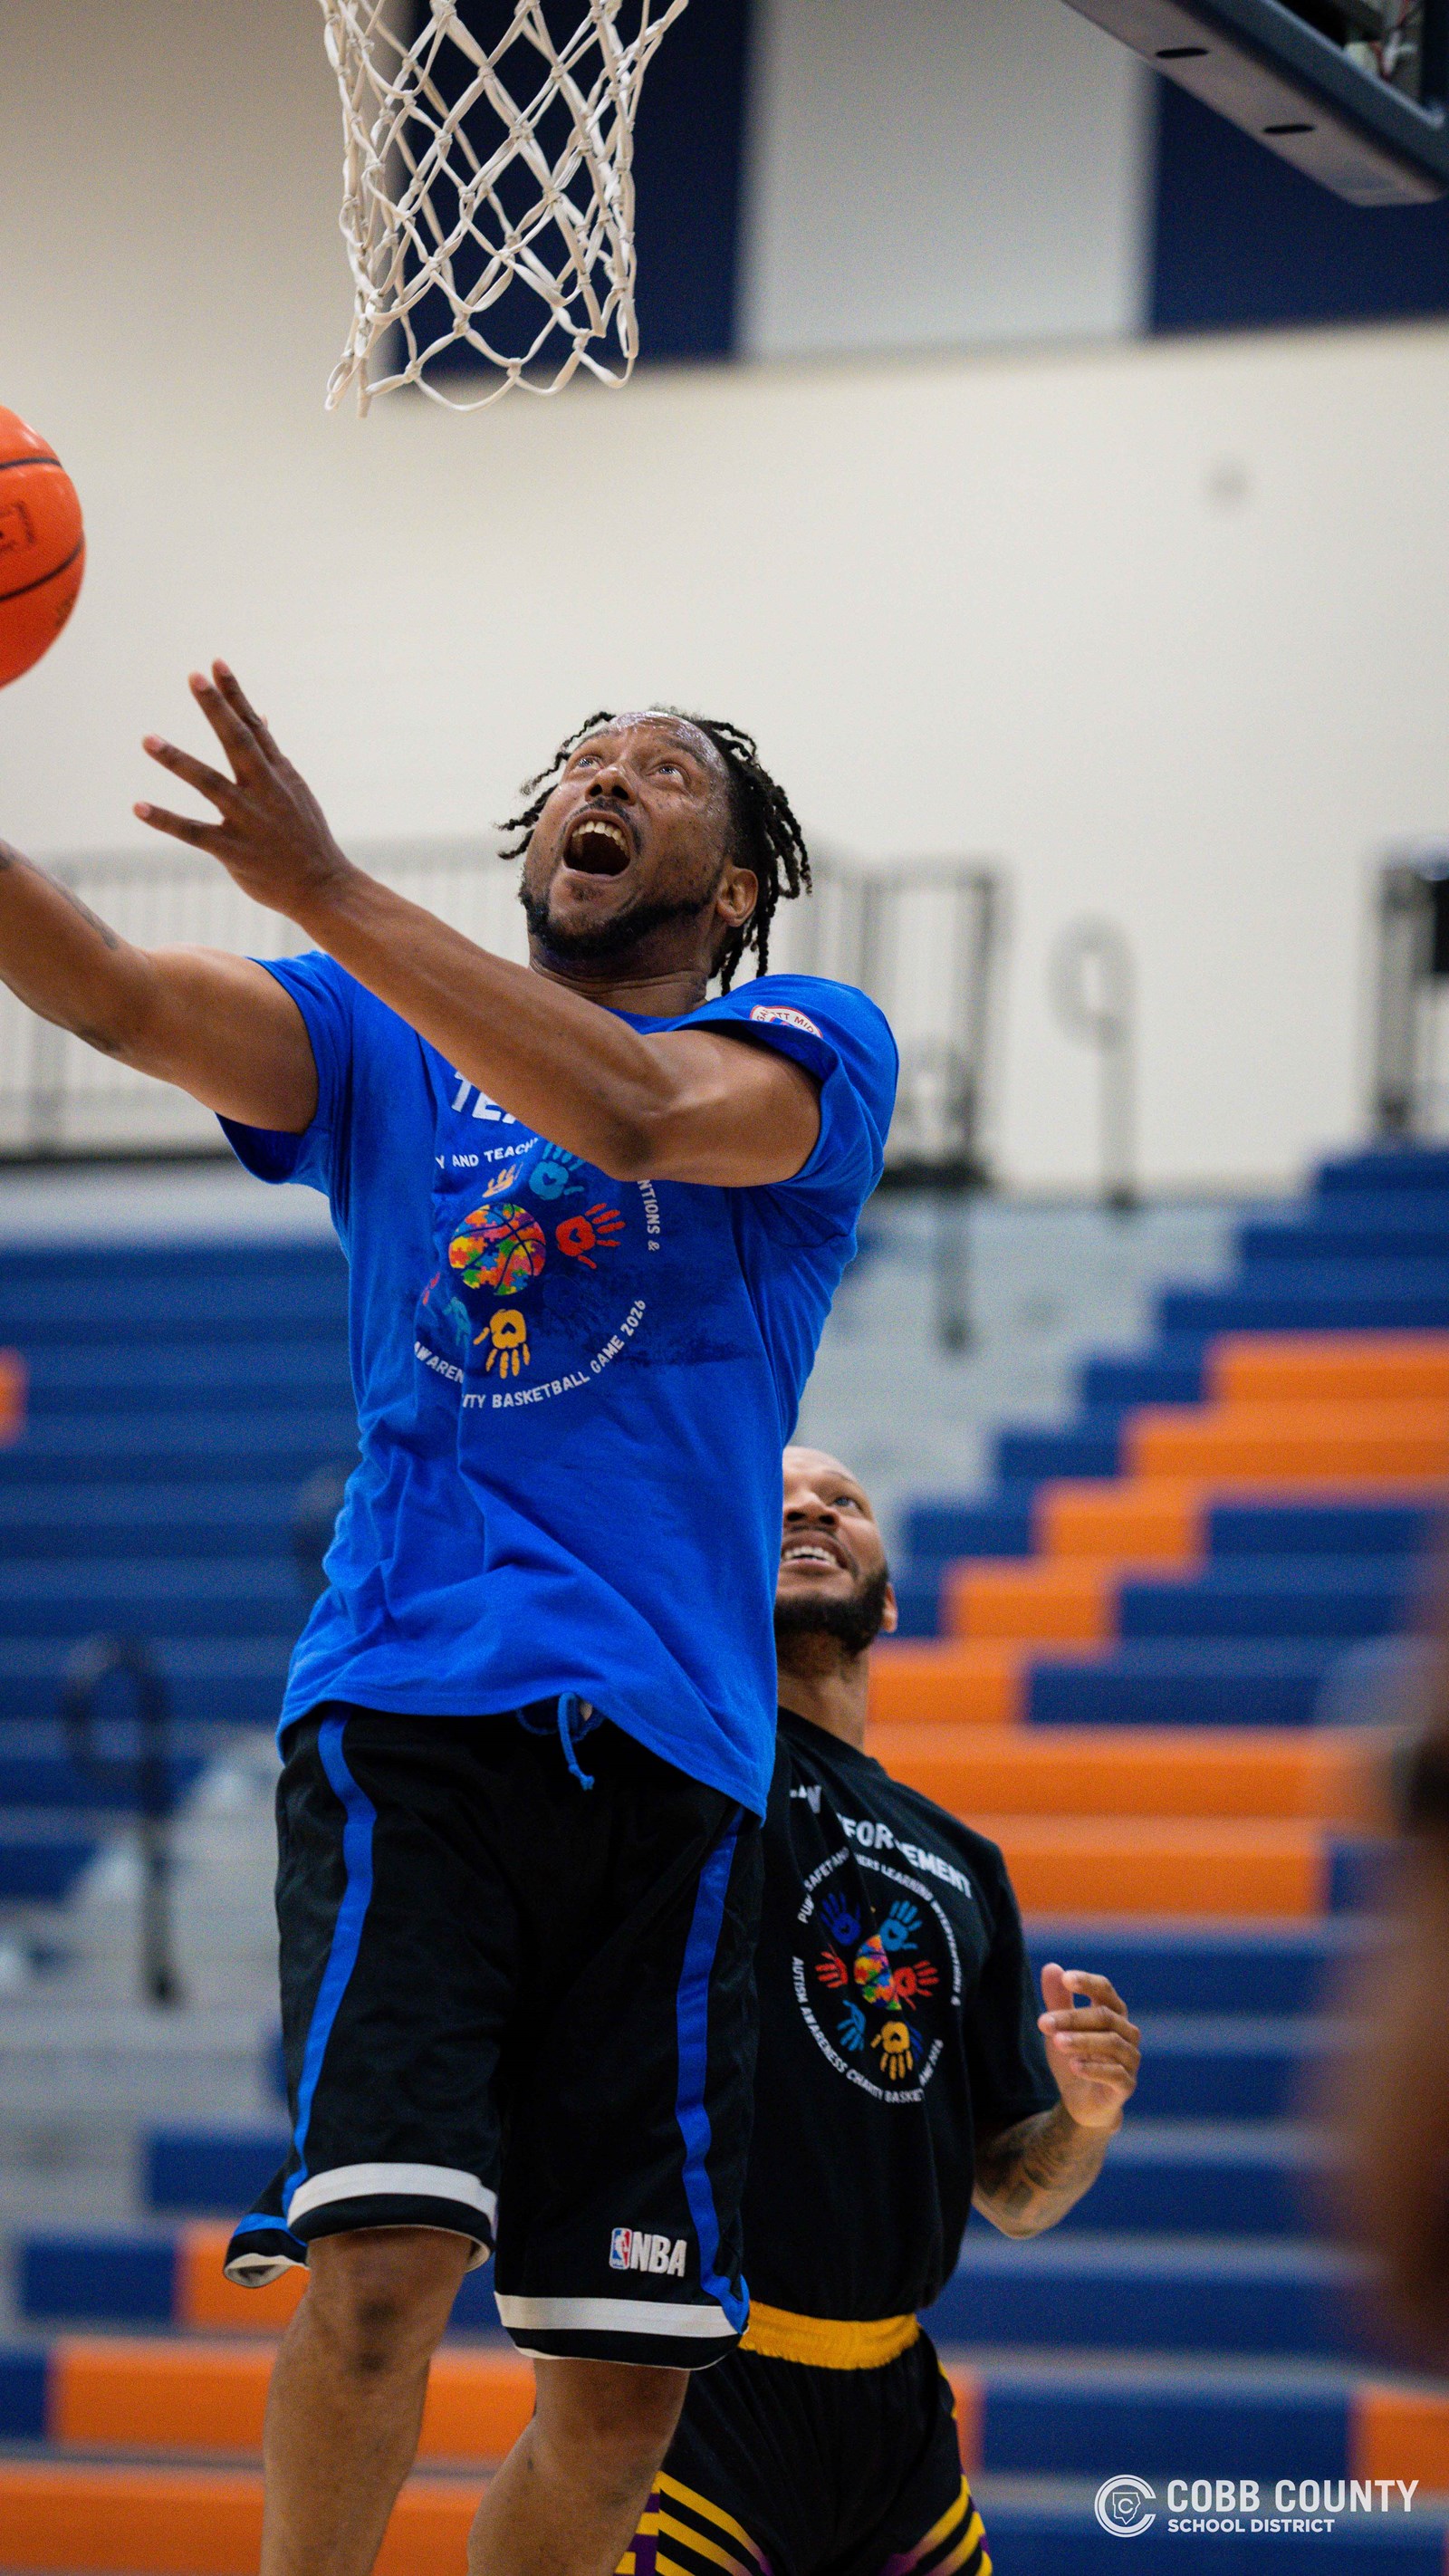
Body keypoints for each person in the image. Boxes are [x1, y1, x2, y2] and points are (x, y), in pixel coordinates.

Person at [0, 673, 897, 2576]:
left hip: (676, 1760)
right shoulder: (376, 1043)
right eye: (582, 766)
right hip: (419, 1706)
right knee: (385, 2268)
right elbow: (102, 990)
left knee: (620, 2398)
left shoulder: (809, 1042)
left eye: (662, 777)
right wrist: (320, 916)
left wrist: (323, 883)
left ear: (735, 893)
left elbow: (642, 1116)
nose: (608, 781)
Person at [626, 1447, 1140, 2576]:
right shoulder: (686, 1766)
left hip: (897, 2410)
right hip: (701, 2376)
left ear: (888, 1598)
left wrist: (1087, 2118)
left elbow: (1012, 2190)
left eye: (843, 1503)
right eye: (779, 1506)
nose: (811, 1509)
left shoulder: (966, 1862)